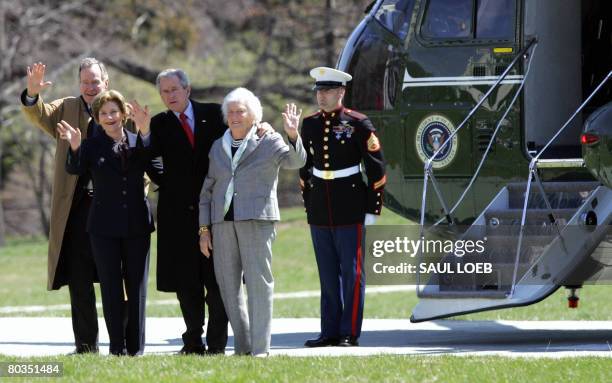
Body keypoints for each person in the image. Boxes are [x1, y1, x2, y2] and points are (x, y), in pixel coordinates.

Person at [198, 88, 306, 357]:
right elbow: (207, 190)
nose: (234, 116)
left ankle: (260, 349)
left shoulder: (268, 139)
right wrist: (204, 229)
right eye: (231, 112)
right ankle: (244, 347)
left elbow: (296, 161)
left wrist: (292, 134)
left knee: (259, 284)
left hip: (257, 220)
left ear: (253, 115)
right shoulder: (217, 146)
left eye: (240, 111)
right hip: (222, 224)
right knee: (227, 286)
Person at [19, 59, 111, 354]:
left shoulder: (118, 108)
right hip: (75, 210)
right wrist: (32, 94)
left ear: (106, 83)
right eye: (85, 82)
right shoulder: (66, 108)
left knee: (116, 279)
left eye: (95, 82)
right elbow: (38, 113)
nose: (89, 87)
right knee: (79, 279)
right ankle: (85, 346)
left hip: (112, 210)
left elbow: (140, 158)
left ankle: (124, 345)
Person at [58, 90, 154, 356]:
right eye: (103, 114)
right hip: (102, 228)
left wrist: (146, 133)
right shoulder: (90, 145)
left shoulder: (139, 141)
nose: (110, 117)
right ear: (98, 119)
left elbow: (156, 167)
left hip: (138, 226)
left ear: (124, 114)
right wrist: (75, 147)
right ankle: (117, 348)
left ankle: (136, 348)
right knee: (111, 288)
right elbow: (74, 170)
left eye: (114, 112)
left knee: (137, 288)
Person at [300, 67, 386, 347]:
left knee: (351, 273)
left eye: (326, 91)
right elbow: (304, 167)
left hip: (350, 204)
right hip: (320, 208)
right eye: (318, 91)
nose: (321, 96)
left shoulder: (358, 123)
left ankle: (348, 332)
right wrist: (308, 203)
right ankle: (329, 332)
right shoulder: (310, 123)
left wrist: (373, 209)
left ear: (341, 92)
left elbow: (377, 169)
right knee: (326, 273)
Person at [148, 69, 229, 355]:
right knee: (187, 283)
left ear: (187, 89)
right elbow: (149, 161)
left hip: (216, 211)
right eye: (164, 92)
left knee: (218, 282)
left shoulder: (215, 114)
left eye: (173, 90)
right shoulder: (157, 124)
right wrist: (170, 184)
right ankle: (192, 341)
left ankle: (217, 343)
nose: (169, 96)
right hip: (177, 215)